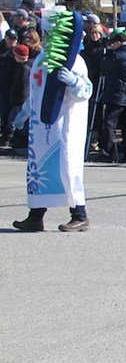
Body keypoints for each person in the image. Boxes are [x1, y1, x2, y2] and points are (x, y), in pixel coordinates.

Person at [11, 12, 93, 232]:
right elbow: (37, 90)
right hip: (40, 126)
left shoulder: (74, 60)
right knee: (39, 169)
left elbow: (86, 91)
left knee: (67, 166)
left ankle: (80, 214)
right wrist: (26, 111)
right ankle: (36, 215)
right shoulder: (42, 58)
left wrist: (75, 82)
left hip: (64, 124)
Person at [96, 30, 126, 162]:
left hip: (115, 94)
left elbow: (102, 65)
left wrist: (108, 52)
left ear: (119, 43)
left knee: (109, 124)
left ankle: (106, 153)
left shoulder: (117, 55)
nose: (111, 46)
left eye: (113, 44)